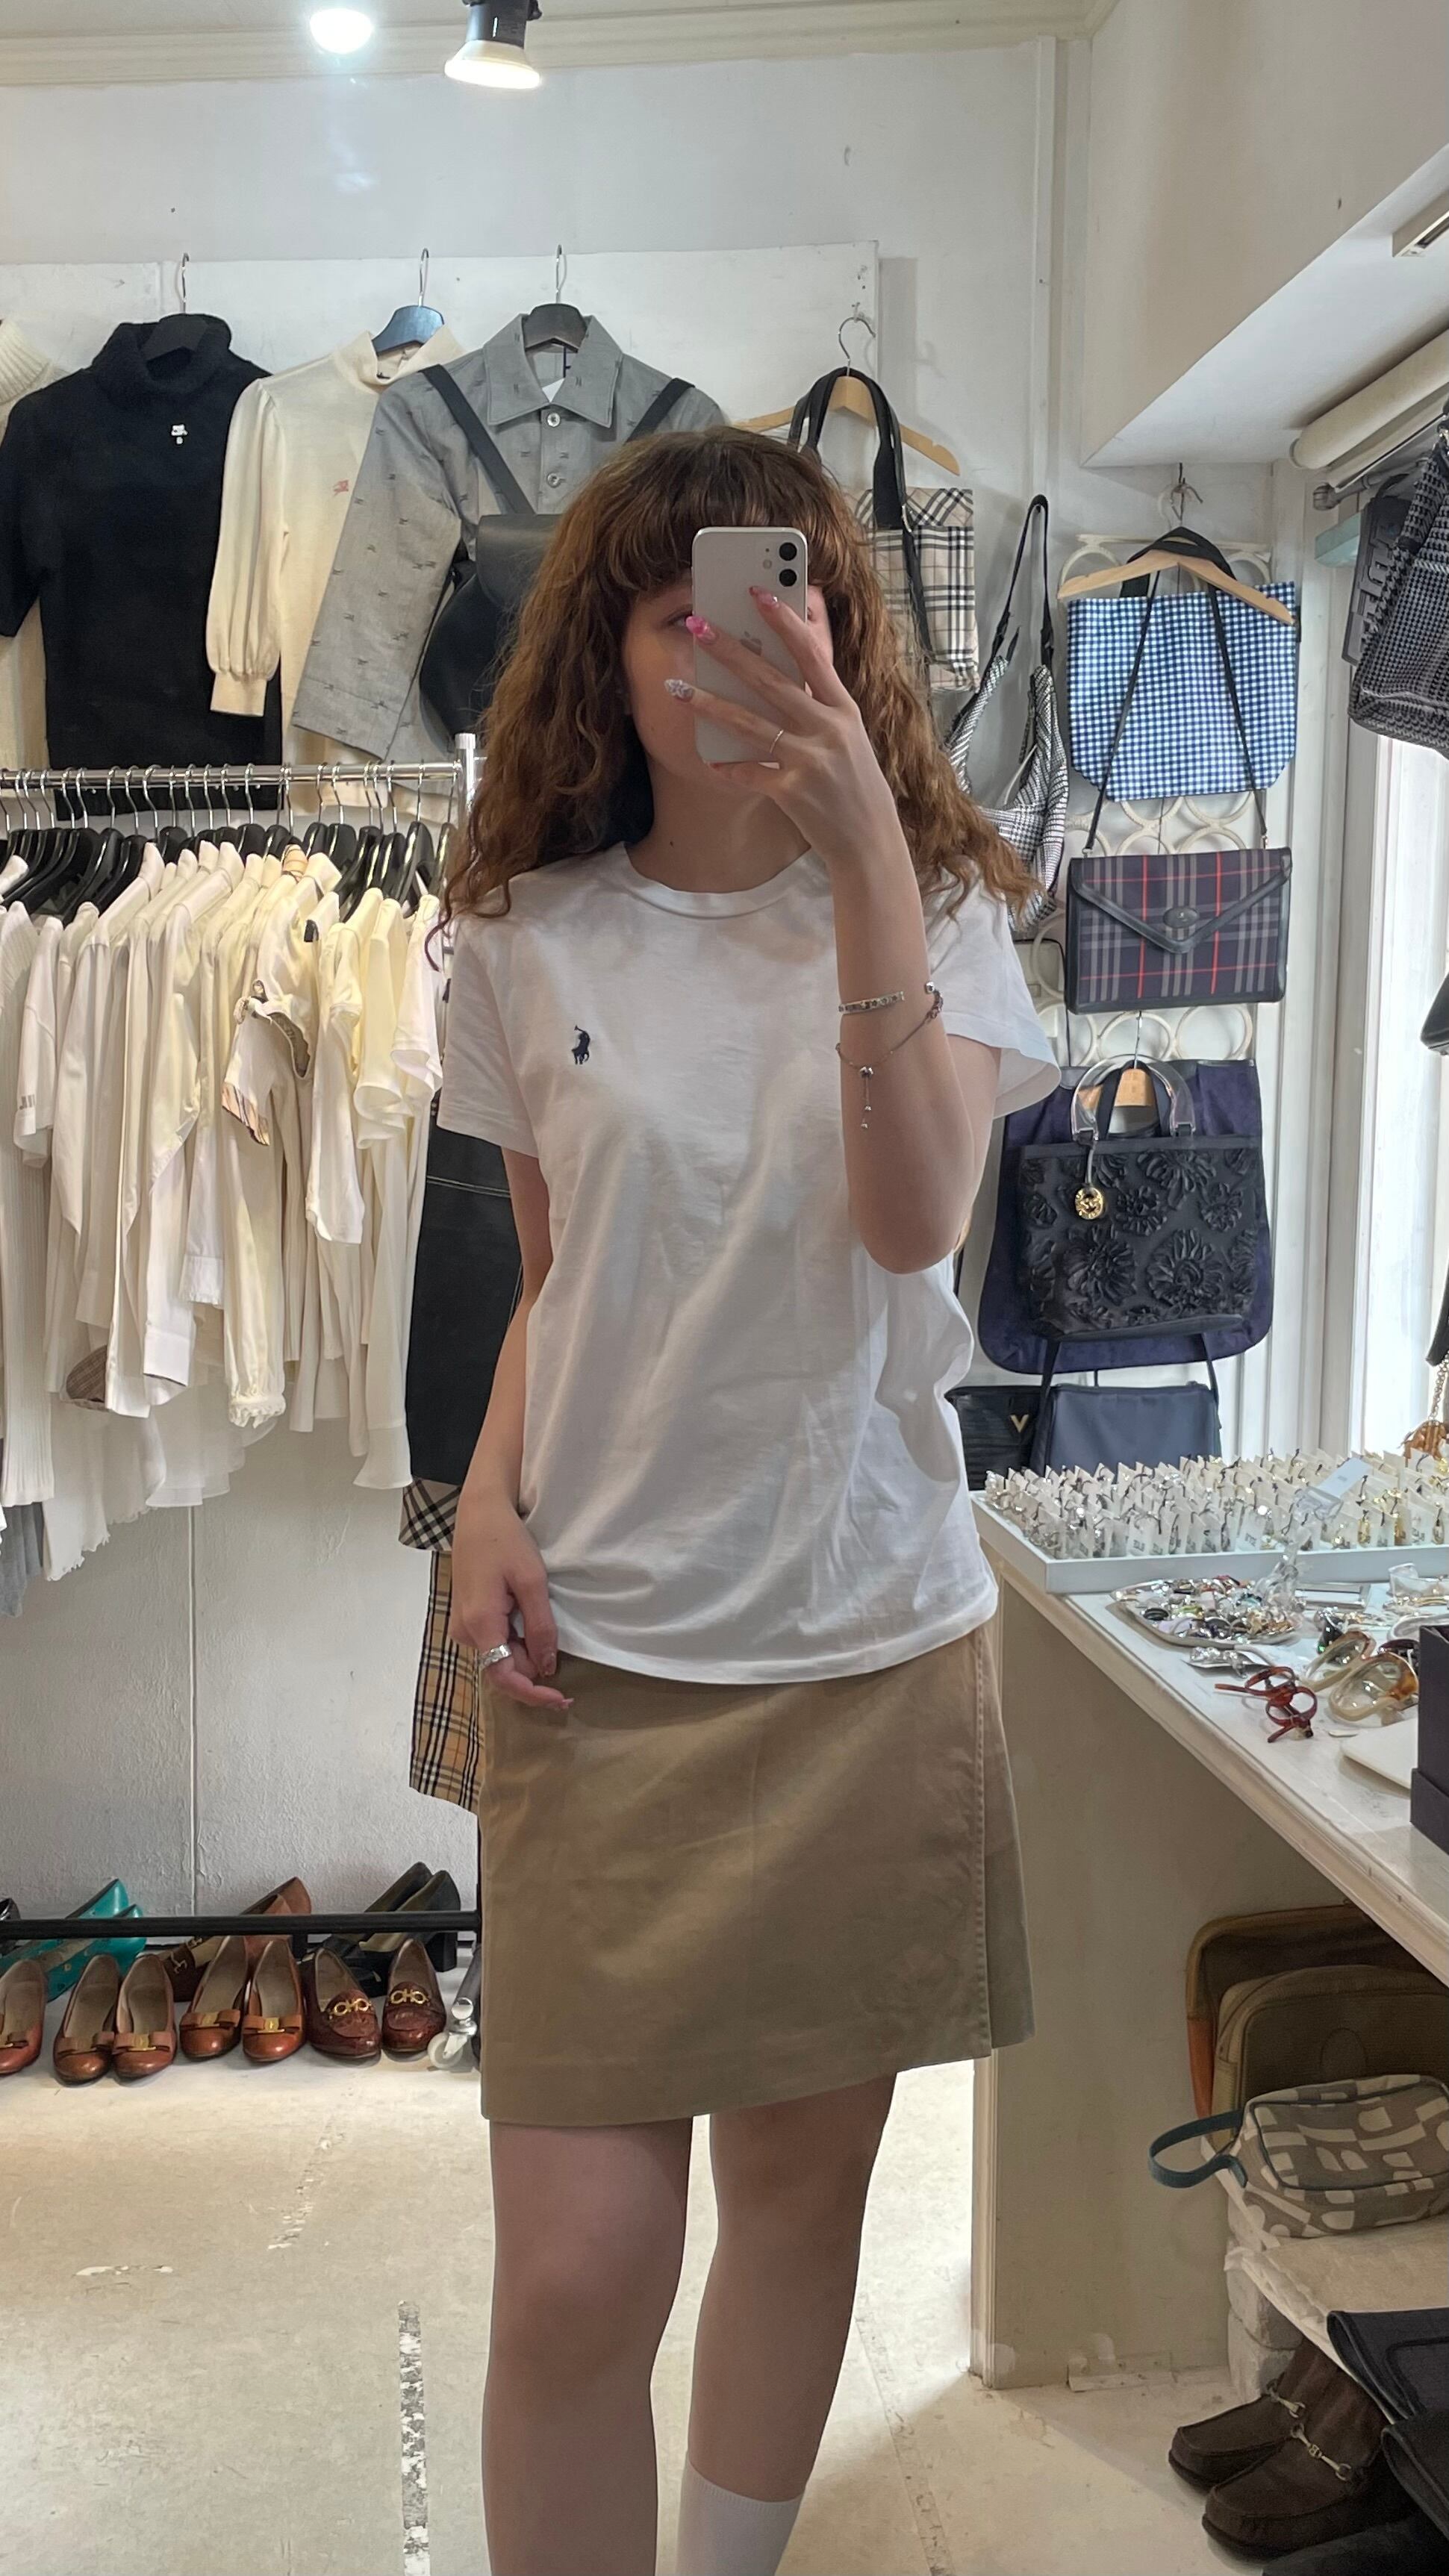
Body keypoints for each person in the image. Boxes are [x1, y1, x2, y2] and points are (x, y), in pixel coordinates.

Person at [439, 426, 1058, 2576]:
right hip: (603, 1663)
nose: (733, 647)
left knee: (799, 2203)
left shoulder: (945, 915)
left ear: (843, 632)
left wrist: (869, 856)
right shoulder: (522, 935)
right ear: (609, 654)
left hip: (863, 1643)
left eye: (783, 604)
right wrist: (483, 1499)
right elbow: (552, 1283)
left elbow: (914, 1224)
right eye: (680, 610)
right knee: (575, 2274)